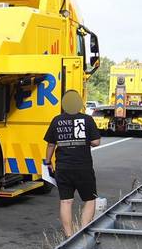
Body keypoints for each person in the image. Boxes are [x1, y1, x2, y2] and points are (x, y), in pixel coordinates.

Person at [42, 89, 102, 237]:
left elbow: (50, 144)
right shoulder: (87, 120)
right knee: (89, 199)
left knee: (66, 201)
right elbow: (96, 142)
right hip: (83, 167)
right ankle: (82, 232)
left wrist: (48, 162)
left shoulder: (57, 120)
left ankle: (69, 236)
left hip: (63, 167)